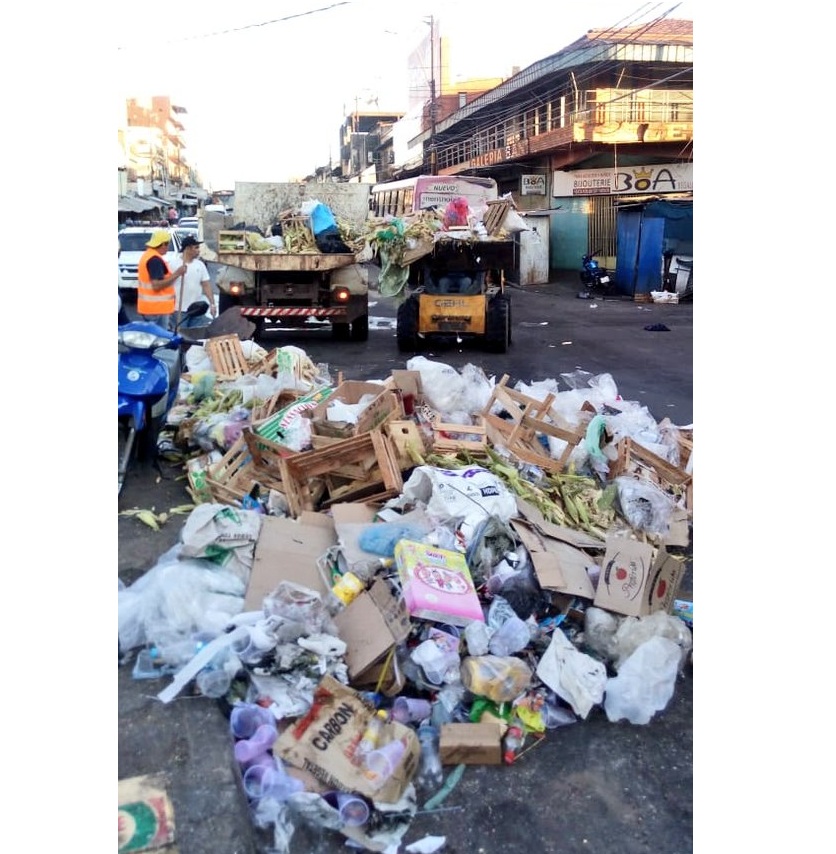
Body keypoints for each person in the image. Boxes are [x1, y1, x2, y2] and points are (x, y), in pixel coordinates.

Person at [136, 229, 186, 330]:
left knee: (153, 338)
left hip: (151, 308)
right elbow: (156, 285)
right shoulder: (154, 260)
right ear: (163, 244)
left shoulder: (148, 256)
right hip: (157, 309)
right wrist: (177, 273)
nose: (168, 248)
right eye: (168, 244)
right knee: (160, 341)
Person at [174, 235, 217, 328]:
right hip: (179, 310)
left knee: (195, 337)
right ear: (188, 248)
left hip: (197, 309)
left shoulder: (200, 265)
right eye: (196, 247)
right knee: (181, 337)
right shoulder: (174, 264)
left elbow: (206, 285)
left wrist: (212, 304)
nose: (198, 250)